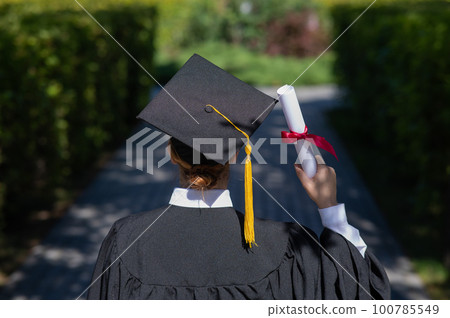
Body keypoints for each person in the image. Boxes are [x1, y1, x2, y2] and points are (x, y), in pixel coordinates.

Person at [86, 54, 390, 300]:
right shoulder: (286, 246)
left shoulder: (125, 241)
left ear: (170, 153)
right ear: (235, 155)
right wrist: (329, 207)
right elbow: (362, 292)